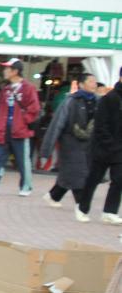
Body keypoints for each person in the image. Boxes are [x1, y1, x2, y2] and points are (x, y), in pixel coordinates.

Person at [0, 58, 40, 196]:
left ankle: (26, 186)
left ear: (15, 71)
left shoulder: (28, 88)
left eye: (7, 69)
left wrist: (24, 121)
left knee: (23, 161)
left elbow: (34, 108)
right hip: (4, 129)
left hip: (20, 131)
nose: (4, 71)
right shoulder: (5, 89)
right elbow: (1, 109)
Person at [43, 72, 97, 219]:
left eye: (95, 81)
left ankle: (54, 195)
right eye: (91, 81)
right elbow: (57, 124)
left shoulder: (97, 101)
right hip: (70, 142)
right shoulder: (71, 101)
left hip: (88, 144)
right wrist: (47, 148)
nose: (94, 84)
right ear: (81, 84)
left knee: (71, 174)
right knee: (79, 175)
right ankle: (81, 208)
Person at [74, 76, 122, 224]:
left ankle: (109, 211)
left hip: (119, 149)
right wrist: (110, 143)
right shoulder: (109, 98)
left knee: (119, 180)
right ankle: (82, 208)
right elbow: (100, 124)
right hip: (103, 148)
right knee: (93, 179)